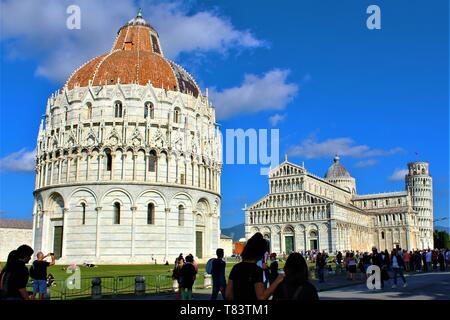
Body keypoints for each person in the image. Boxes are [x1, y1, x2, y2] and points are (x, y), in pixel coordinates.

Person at [226, 233, 284, 300]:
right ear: (260, 252)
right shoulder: (256, 270)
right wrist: (277, 280)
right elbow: (261, 297)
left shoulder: (236, 268)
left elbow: (228, 295)